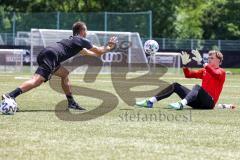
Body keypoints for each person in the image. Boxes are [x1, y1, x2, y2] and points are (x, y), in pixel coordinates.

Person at [2, 21, 117, 111]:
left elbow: (92, 54)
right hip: (52, 55)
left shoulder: (75, 42)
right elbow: (99, 50)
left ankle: (71, 102)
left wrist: (104, 50)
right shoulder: (81, 40)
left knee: (64, 74)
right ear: (81, 30)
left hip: (47, 53)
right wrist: (109, 47)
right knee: (37, 80)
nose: (87, 32)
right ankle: (10, 95)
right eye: (86, 30)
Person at [136, 50, 226, 110]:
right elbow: (188, 75)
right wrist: (185, 65)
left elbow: (214, 74)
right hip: (198, 103)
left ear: (219, 60)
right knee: (175, 85)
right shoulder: (205, 70)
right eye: (209, 57)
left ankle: (181, 104)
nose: (209, 59)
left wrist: (203, 63)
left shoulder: (221, 72)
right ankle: (150, 102)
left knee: (197, 87)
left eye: (212, 58)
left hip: (209, 104)